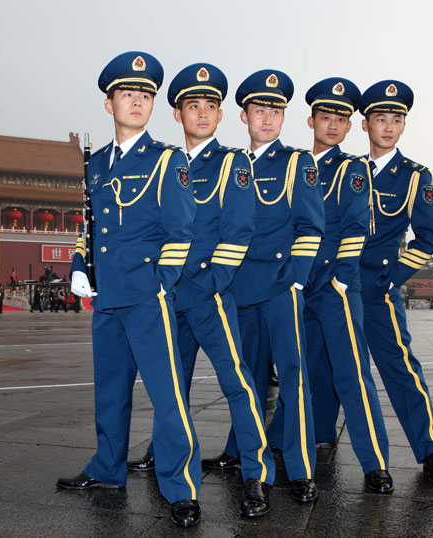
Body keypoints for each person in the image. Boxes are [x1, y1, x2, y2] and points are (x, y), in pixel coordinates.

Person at [58, 51, 202, 528]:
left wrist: (161, 284)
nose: (136, 102)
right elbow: (90, 227)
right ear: (109, 104)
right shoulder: (95, 164)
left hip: (146, 295)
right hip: (106, 297)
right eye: (127, 94)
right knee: (111, 392)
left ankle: (180, 485)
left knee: (167, 395)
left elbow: (182, 232)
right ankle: (108, 468)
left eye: (144, 95)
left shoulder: (167, 159)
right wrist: (80, 264)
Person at [126, 63, 275, 516]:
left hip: (209, 294)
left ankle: (256, 474)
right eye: (194, 105)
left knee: (238, 385)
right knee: (171, 388)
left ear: (221, 113)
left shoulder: (233, 163)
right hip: (169, 296)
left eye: (211, 105)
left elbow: (239, 231)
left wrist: (209, 284)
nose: (204, 113)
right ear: (177, 114)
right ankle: (167, 458)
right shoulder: (164, 163)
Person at [215, 69, 323, 503]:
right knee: (247, 381)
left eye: (276, 110)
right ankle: (251, 466)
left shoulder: (297, 162)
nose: (268, 118)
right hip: (240, 287)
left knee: (293, 378)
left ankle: (298, 469)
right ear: (244, 116)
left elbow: (311, 227)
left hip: (279, 287)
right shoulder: (230, 164)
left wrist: (296, 282)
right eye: (260, 109)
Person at [299, 77, 393, 492]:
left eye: (341, 118)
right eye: (326, 117)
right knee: (297, 369)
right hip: (299, 284)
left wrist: (339, 278)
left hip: (335, 283)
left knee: (352, 374)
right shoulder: (296, 166)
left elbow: (356, 228)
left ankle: (374, 462)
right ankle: (294, 442)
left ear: (350, 126)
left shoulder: (352, 168)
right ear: (311, 120)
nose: (333, 125)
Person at [358, 80, 433, 486]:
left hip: (379, 288)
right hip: (336, 287)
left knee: (401, 369)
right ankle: (303, 444)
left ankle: (431, 453)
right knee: (320, 366)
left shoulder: (415, 175)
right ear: (366, 124)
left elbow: (427, 237)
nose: (390, 126)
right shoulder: (347, 170)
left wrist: (390, 277)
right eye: (382, 118)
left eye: (397, 119)